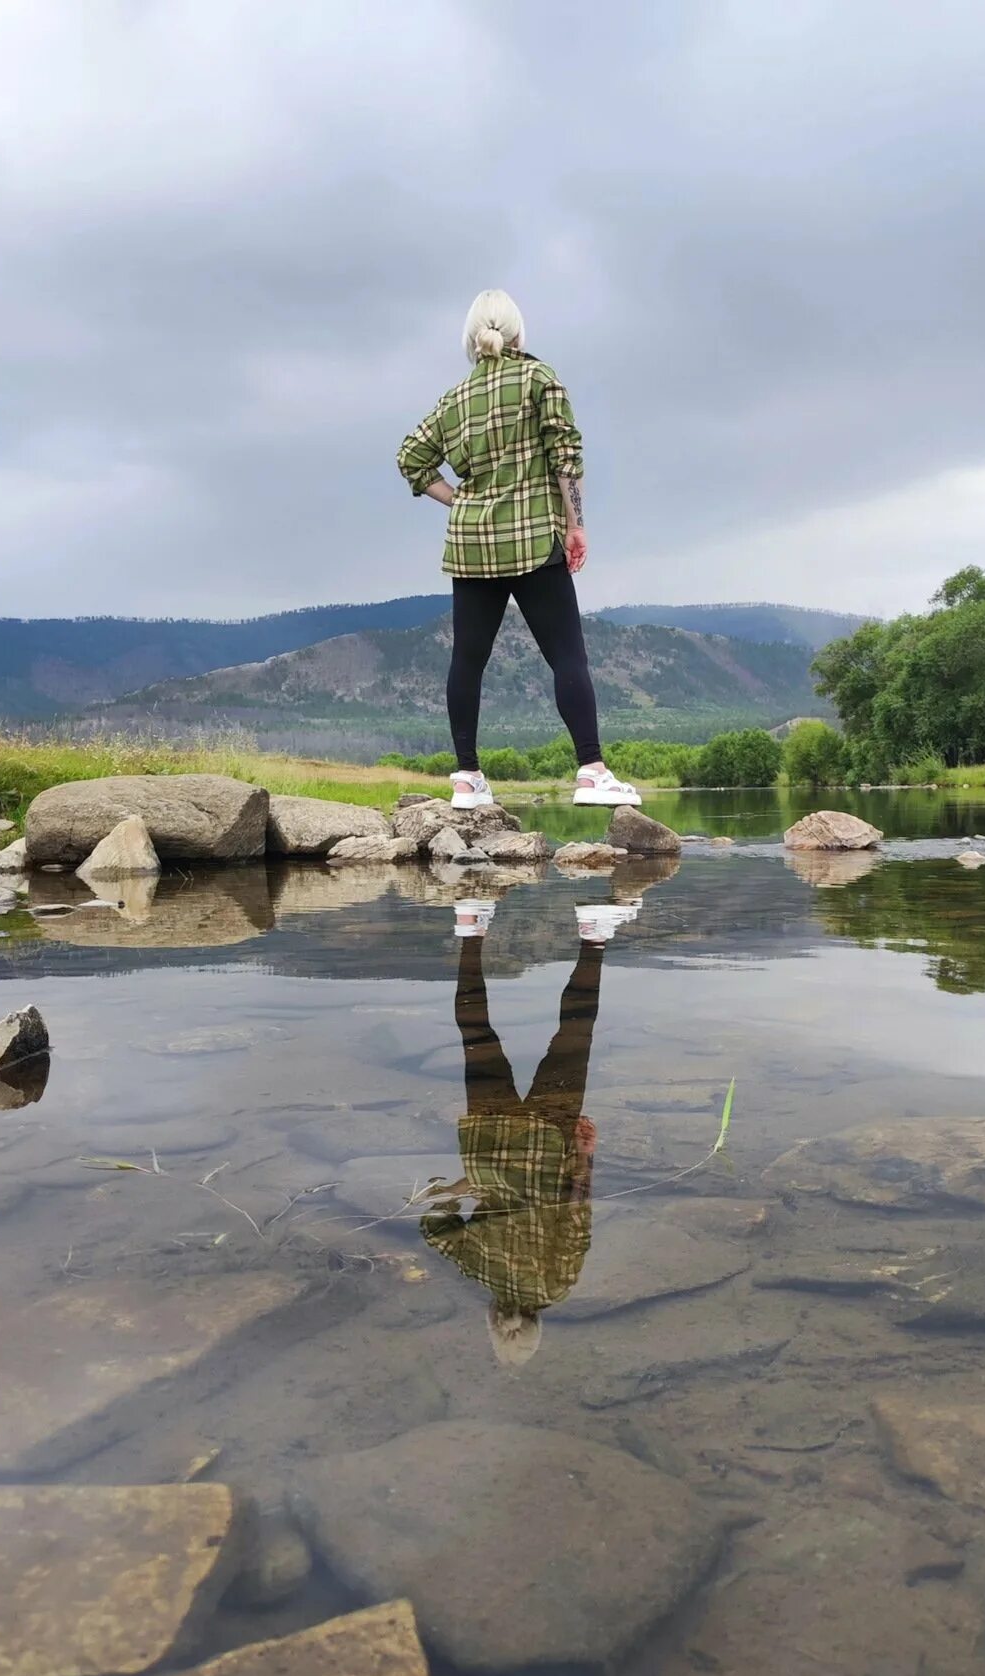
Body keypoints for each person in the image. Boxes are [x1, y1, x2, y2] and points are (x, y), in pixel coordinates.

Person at [397, 288, 642, 814]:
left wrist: (458, 499)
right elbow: (566, 457)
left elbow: (410, 459)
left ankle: (467, 780)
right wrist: (576, 525)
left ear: (471, 338)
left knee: (468, 659)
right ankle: (592, 772)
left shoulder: (454, 399)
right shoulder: (539, 378)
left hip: (472, 546)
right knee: (566, 655)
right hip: (534, 538)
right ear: (517, 333)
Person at [419, 895, 638, 1364]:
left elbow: (577, 1218)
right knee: (476, 1034)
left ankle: (593, 935)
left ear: (536, 1326)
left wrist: (585, 1155)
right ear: (492, 1319)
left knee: (574, 1034)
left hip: (547, 1140)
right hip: (487, 1141)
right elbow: (432, 1225)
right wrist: (460, 1187)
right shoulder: (477, 1272)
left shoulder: (555, 1286)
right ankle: (470, 927)